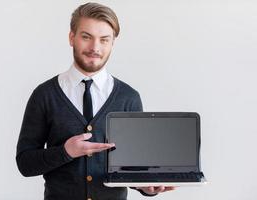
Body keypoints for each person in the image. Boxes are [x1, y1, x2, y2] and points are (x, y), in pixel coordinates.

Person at [16, 2, 175, 200]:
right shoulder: (45, 94)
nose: (95, 48)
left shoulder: (128, 98)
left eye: (104, 40)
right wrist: (66, 152)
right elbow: (25, 163)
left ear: (112, 43)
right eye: (86, 37)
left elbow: (131, 168)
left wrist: (144, 187)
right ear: (71, 37)